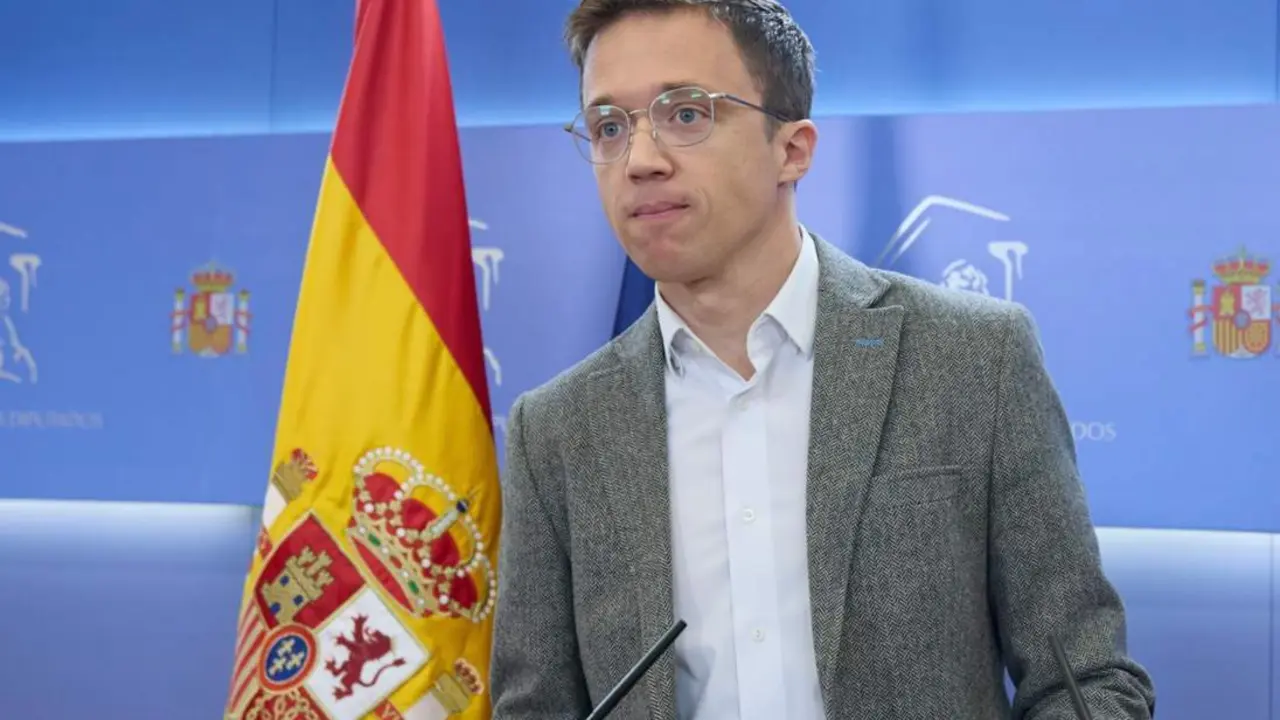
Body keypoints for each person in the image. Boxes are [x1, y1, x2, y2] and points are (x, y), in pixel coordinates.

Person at [489, 1, 1157, 718]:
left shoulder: (973, 360)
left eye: (686, 114)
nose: (641, 160)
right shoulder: (557, 430)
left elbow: (1086, 681)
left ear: (794, 148)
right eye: (609, 127)